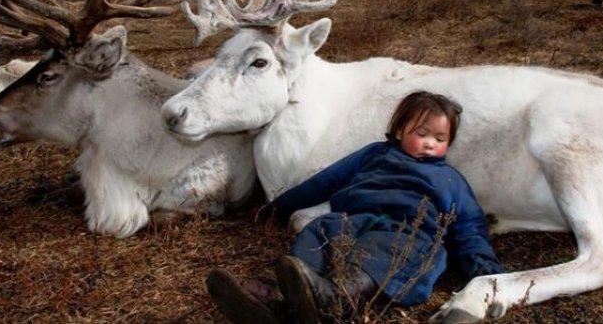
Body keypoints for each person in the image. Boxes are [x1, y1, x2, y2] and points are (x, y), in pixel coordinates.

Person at [207, 91, 504, 323]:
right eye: (422, 133)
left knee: (385, 250)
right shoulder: (374, 154)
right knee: (317, 231)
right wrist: (277, 208)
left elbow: (469, 227)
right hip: (352, 220)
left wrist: (487, 272)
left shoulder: (449, 179)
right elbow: (326, 181)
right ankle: (291, 297)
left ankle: (334, 298)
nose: (429, 144)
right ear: (400, 130)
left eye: (440, 139)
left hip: (407, 233)